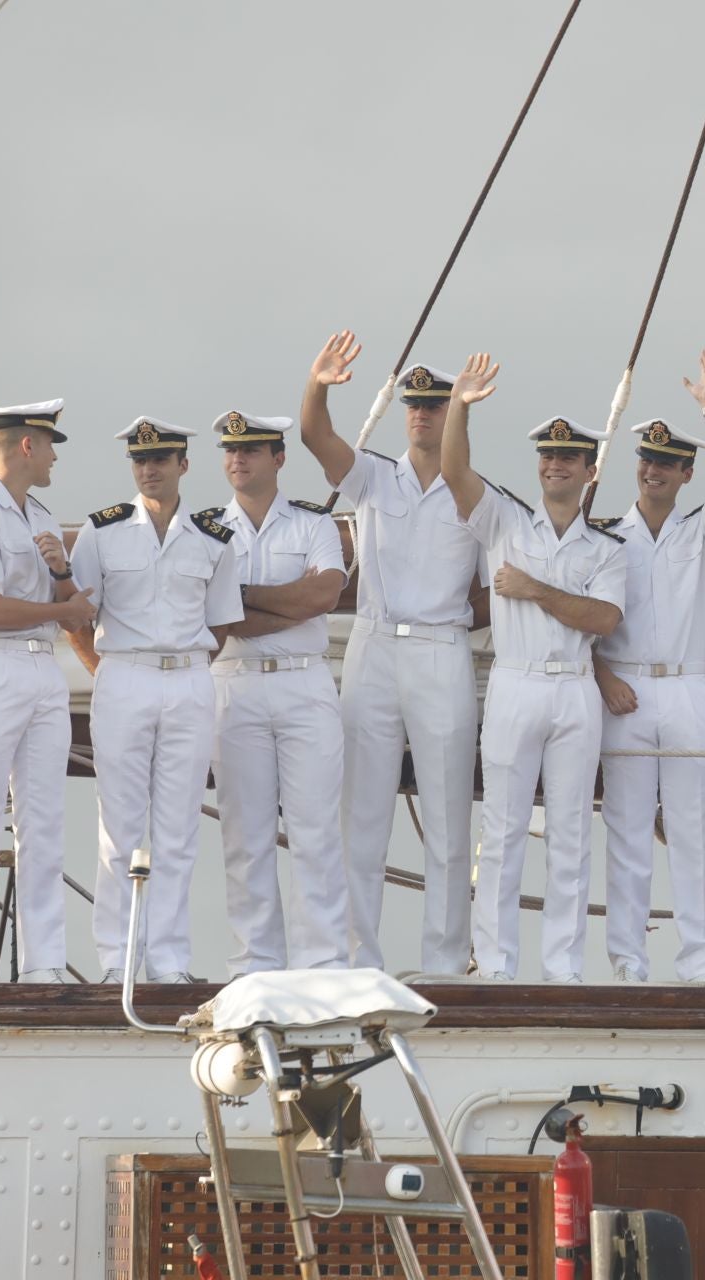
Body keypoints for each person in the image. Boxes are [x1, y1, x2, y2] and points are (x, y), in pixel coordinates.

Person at [298, 333, 487, 977]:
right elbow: (315, 439)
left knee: (448, 816)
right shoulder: (375, 475)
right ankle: (355, 962)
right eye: (415, 405)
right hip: (375, 646)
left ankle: (444, 964)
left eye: (435, 406)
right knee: (363, 815)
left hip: (441, 648)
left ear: (453, 413)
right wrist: (318, 386)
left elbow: (495, 588)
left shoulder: (473, 494)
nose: (421, 415)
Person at [439, 354, 627, 983]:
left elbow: (603, 620)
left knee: (571, 835)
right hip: (516, 682)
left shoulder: (605, 549)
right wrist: (460, 406)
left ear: (589, 470)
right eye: (548, 455)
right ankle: (495, 964)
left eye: (568, 457)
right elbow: (454, 470)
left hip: (574, 690)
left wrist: (534, 588)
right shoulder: (504, 518)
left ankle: (564, 967)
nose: (554, 464)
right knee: (503, 831)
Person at [67, 418, 242, 983]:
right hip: (123, 676)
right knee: (118, 829)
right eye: (140, 460)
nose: (149, 468)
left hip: (190, 679)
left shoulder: (214, 539)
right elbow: (76, 614)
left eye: (161, 459)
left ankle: (168, 962)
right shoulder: (102, 531)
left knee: (178, 828)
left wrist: (179, 672)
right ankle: (118, 960)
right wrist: (110, 671)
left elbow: (219, 625)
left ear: (183, 465)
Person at [594, 351, 705, 984]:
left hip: (684, 689)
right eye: (645, 460)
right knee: (627, 835)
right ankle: (628, 961)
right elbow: (584, 621)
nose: (652, 470)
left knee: (689, 828)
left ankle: (699, 959)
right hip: (622, 688)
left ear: (685, 475)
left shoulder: (700, 535)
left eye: (665, 464)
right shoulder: (605, 538)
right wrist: (603, 679)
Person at [0, 399, 92, 984]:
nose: (55, 456)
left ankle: (43, 963)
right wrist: (61, 605)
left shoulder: (43, 516)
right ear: (26, 445)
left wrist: (60, 573)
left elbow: (73, 607)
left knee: (45, 820)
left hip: (40, 670)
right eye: (50, 444)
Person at [204, 411, 350, 975]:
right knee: (245, 836)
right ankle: (255, 964)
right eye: (231, 451)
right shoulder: (207, 528)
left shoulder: (314, 523)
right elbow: (208, 611)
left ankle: (324, 963)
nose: (237, 460)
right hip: (235, 684)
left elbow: (322, 597)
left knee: (315, 830)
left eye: (251, 451)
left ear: (279, 459)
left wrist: (237, 599)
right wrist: (276, 602)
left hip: (303, 682)